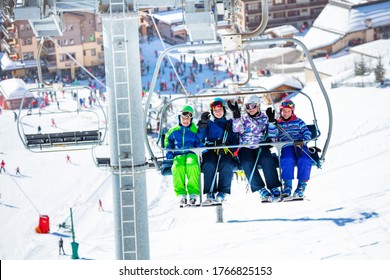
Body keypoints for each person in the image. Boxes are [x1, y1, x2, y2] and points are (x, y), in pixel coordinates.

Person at [228, 95, 281, 201]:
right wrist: (236, 115)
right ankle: (260, 188)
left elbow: (273, 136)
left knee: (267, 159)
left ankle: (274, 186)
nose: (251, 109)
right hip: (245, 147)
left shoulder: (265, 118)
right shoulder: (243, 118)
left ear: (258, 106)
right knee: (247, 162)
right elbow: (237, 129)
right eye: (248, 107)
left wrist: (271, 122)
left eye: (253, 106)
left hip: (261, 145)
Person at [197, 98, 239, 203]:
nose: (218, 112)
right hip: (211, 149)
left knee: (226, 163)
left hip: (225, 150)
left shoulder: (230, 123)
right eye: (215, 110)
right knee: (209, 163)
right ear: (212, 112)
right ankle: (210, 192)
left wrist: (230, 149)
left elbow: (235, 139)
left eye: (220, 110)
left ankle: (222, 192)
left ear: (224, 110)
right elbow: (200, 137)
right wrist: (202, 124)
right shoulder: (209, 124)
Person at [268, 99, 312, 198]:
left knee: (305, 160)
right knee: (287, 159)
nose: (286, 113)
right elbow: (273, 137)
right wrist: (272, 125)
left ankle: (301, 186)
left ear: (292, 111)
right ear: (280, 111)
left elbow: (307, 132)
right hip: (286, 145)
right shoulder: (278, 124)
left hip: (300, 145)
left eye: (288, 111)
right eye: (284, 111)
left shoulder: (298, 121)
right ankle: (287, 185)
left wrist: (303, 140)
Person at [164, 105, 202, 205]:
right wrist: (169, 152)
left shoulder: (194, 130)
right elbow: (168, 140)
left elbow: (200, 141)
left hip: (191, 153)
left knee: (192, 165)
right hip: (178, 154)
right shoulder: (174, 130)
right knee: (177, 167)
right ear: (179, 118)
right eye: (183, 118)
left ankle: (193, 192)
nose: (185, 121)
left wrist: (201, 149)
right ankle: (181, 193)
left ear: (191, 119)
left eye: (188, 119)